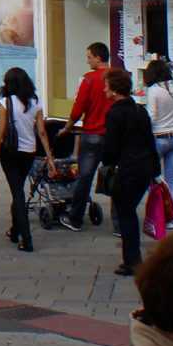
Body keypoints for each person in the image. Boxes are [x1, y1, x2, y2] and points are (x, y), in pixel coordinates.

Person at [100, 68, 160, 276]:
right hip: (143, 168)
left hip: (126, 170)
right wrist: (156, 170)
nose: (104, 89)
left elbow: (110, 147)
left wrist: (106, 162)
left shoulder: (114, 113)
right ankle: (133, 258)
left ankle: (132, 261)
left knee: (125, 215)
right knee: (129, 212)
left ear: (115, 90)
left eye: (106, 85)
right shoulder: (139, 111)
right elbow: (150, 142)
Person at [0, 67, 51, 253]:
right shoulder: (35, 102)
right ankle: (15, 231)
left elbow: (1, 131)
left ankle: (27, 239)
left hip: (10, 153)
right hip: (29, 153)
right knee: (18, 190)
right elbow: (41, 131)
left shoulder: (6, 102)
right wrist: (50, 155)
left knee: (17, 193)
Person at [61, 42, 113, 231]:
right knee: (115, 176)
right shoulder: (118, 76)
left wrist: (68, 126)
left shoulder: (88, 79)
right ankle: (120, 224)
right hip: (113, 136)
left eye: (89, 57)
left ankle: (75, 219)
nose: (87, 60)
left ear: (98, 58)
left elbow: (78, 108)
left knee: (84, 177)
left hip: (92, 134)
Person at [142, 59, 173, 216]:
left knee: (149, 174)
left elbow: (151, 116)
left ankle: (156, 209)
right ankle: (171, 216)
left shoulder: (154, 90)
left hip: (159, 137)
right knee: (172, 180)